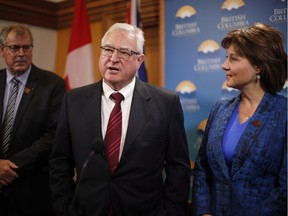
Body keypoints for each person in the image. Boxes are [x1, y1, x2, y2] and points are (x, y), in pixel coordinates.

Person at [49, 22, 191, 216]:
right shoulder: (73, 100)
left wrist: (171, 212)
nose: (113, 59)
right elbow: (60, 162)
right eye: (107, 49)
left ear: (139, 60)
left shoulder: (166, 103)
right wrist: (65, 209)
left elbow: (178, 166)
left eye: (124, 52)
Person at [191, 22, 287, 216]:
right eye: (226, 58)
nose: (224, 65)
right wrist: (203, 212)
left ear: (258, 66)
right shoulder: (220, 109)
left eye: (233, 59)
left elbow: (285, 187)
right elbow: (202, 168)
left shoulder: (283, 113)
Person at [0, 24, 66, 216]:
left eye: (26, 47)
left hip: (32, 188)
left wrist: (9, 166)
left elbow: (53, 135)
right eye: (14, 48)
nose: (21, 53)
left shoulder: (52, 85)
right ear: (2, 50)